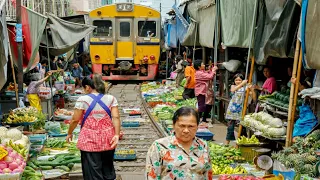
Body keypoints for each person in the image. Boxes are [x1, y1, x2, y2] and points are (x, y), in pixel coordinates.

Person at [66, 74, 120, 180]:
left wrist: (69, 133)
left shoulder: (83, 100)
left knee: (92, 171)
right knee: (107, 167)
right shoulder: (111, 98)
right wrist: (117, 135)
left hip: (89, 140)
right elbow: (116, 117)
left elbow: (75, 120)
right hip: (108, 138)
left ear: (87, 87)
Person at [146, 107, 212, 180]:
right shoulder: (159, 146)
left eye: (191, 126)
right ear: (173, 125)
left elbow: (207, 174)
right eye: (182, 126)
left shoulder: (203, 145)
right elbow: (152, 176)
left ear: (197, 127)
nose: (186, 130)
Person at [225, 74, 257, 144]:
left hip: (241, 110)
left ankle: (241, 143)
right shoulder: (233, 86)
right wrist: (243, 83)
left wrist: (251, 89)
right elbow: (233, 90)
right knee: (230, 127)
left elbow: (254, 98)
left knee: (242, 127)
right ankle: (227, 143)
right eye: (236, 80)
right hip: (232, 110)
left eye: (239, 80)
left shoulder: (245, 89)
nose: (238, 81)